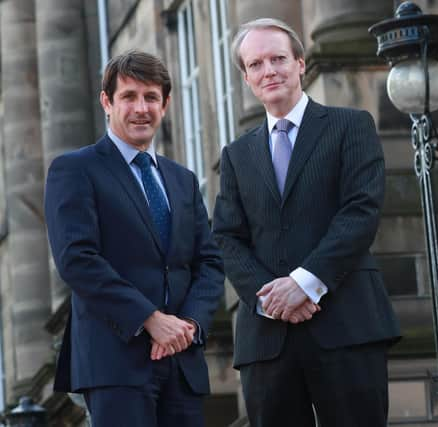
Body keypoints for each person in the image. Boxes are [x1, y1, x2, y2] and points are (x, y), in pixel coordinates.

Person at [212, 18, 400, 427]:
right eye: (256, 64)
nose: (269, 71)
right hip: (268, 341)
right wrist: (271, 300)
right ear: (246, 78)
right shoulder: (236, 156)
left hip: (346, 323)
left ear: (299, 63)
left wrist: (303, 282)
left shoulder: (351, 126)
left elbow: (361, 210)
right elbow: (226, 238)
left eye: (278, 58)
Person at [44, 50, 224, 427]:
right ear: (107, 102)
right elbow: (77, 259)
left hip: (182, 361)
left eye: (151, 97)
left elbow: (208, 262)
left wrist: (187, 325)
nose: (141, 108)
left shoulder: (182, 180)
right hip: (115, 363)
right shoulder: (76, 169)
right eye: (129, 97)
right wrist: (149, 319)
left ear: (166, 104)